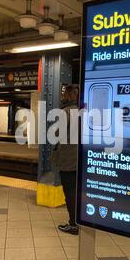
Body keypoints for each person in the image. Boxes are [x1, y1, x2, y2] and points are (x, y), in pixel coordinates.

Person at [54, 85, 80, 235]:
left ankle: (73, 224)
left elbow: (57, 134)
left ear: (67, 96)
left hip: (68, 158)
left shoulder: (65, 113)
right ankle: (79, 221)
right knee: (76, 191)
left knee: (69, 191)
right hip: (78, 158)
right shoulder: (82, 112)